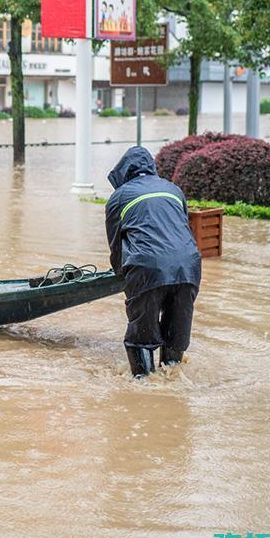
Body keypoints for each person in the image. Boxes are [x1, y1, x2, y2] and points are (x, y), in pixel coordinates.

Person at [105, 146, 203, 377]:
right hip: (188, 267)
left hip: (147, 268)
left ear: (124, 171)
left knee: (142, 336)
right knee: (176, 333)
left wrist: (122, 276)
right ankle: (172, 383)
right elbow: (180, 230)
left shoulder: (118, 198)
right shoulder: (173, 190)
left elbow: (116, 246)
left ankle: (144, 391)